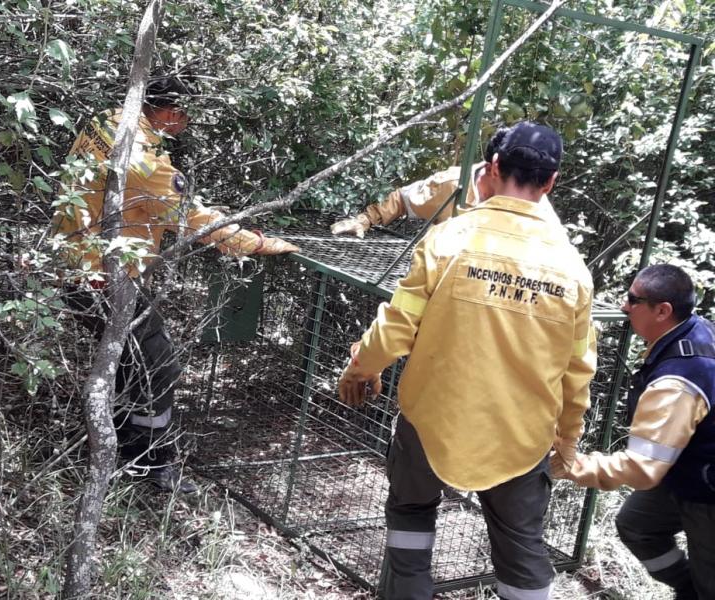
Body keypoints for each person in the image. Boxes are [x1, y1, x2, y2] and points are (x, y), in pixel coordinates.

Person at [337, 121, 597, 600]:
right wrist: (567, 439)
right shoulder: (573, 270)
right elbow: (578, 371)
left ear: (493, 168)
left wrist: (361, 368)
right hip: (521, 435)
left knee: (411, 516)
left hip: (432, 420)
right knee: (522, 550)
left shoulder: (448, 240)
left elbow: (397, 327)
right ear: (551, 181)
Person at [51, 75, 298, 492]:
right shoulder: (145, 163)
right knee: (157, 363)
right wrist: (254, 242)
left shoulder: (110, 120)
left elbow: (162, 200)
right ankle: (150, 463)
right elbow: (191, 220)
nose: (185, 126)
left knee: (130, 361)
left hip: (76, 259)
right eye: (185, 117)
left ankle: (114, 445)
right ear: (167, 112)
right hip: (104, 274)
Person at [552, 264, 715, 600]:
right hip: (685, 469)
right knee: (637, 523)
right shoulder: (693, 331)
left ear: (663, 311)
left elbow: (643, 467)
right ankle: (688, 587)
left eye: (633, 300)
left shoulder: (677, 382)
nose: (624, 307)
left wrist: (573, 466)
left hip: (707, 491)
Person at [330, 126, 561, 238]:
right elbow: (404, 198)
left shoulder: (540, 209)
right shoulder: (452, 186)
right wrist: (365, 219)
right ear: (494, 168)